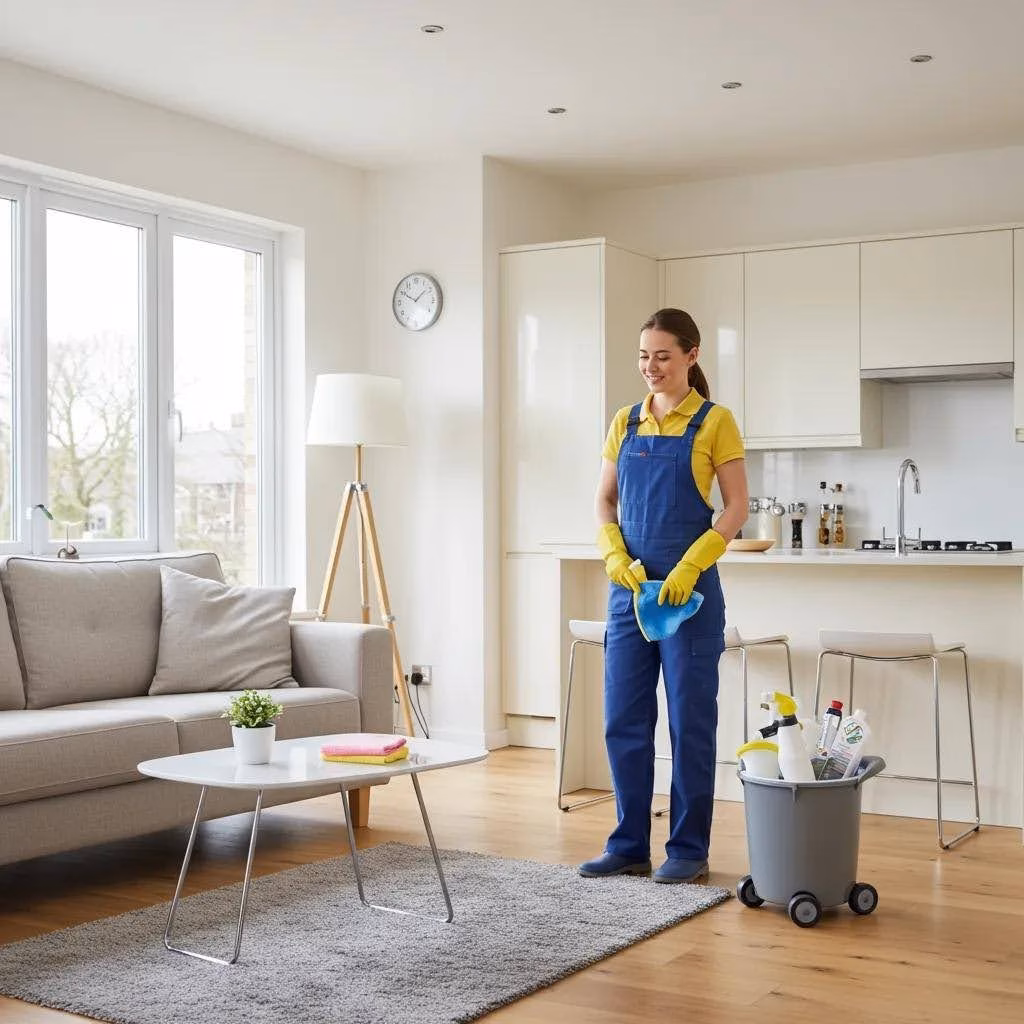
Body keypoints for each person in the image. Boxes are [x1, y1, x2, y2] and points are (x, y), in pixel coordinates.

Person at [579, 308, 749, 884]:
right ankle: (628, 843)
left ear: (692, 356)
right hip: (629, 593)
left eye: (663, 356)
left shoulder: (713, 421)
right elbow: (605, 500)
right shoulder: (624, 421)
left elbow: (735, 508)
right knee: (623, 718)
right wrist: (612, 554)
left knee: (689, 721)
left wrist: (693, 564)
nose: (651, 367)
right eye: (644, 356)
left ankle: (688, 848)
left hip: (690, 596)